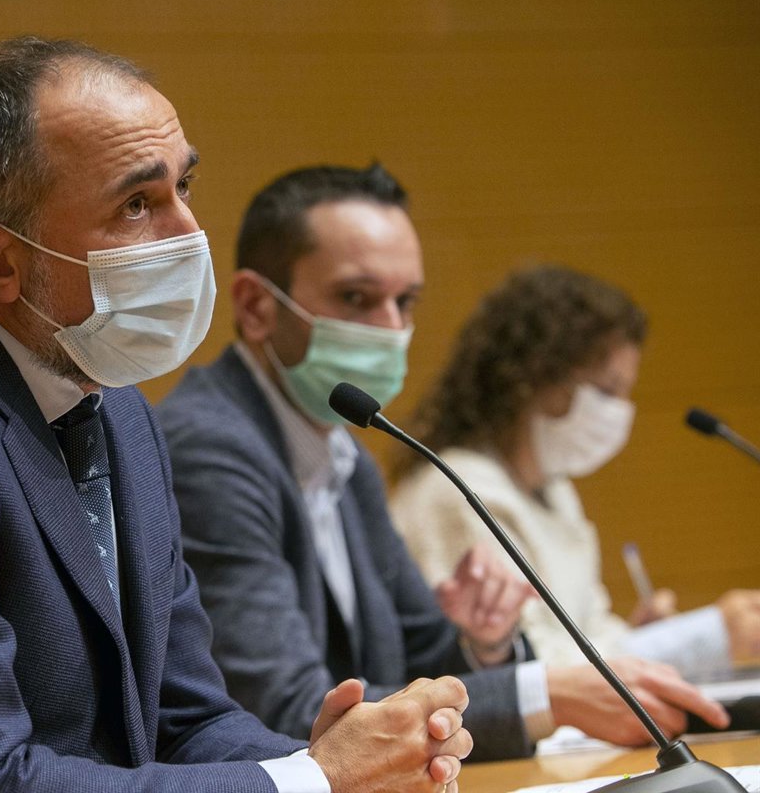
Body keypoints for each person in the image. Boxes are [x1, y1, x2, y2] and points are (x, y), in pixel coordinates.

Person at [0, 38, 473, 793]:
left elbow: (185, 721)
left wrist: (339, 765)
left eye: (185, 187)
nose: (189, 235)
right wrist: (316, 780)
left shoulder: (114, 404)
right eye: (136, 205)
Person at [157, 164, 730, 762]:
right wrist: (545, 695)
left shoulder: (342, 453)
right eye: (356, 298)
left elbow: (426, 658)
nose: (392, 328)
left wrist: (485, 643)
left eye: (405, 301)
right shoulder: (212, 450)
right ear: (255, 306)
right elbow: (287, 708)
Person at [390, 265, 760, 678]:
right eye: (605, 391)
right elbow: (521, 667)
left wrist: (648, 639)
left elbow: (588, 633)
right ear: (534, 376)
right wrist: (703, 639)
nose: (619, 412)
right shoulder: (457, 489)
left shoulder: (555, 490)